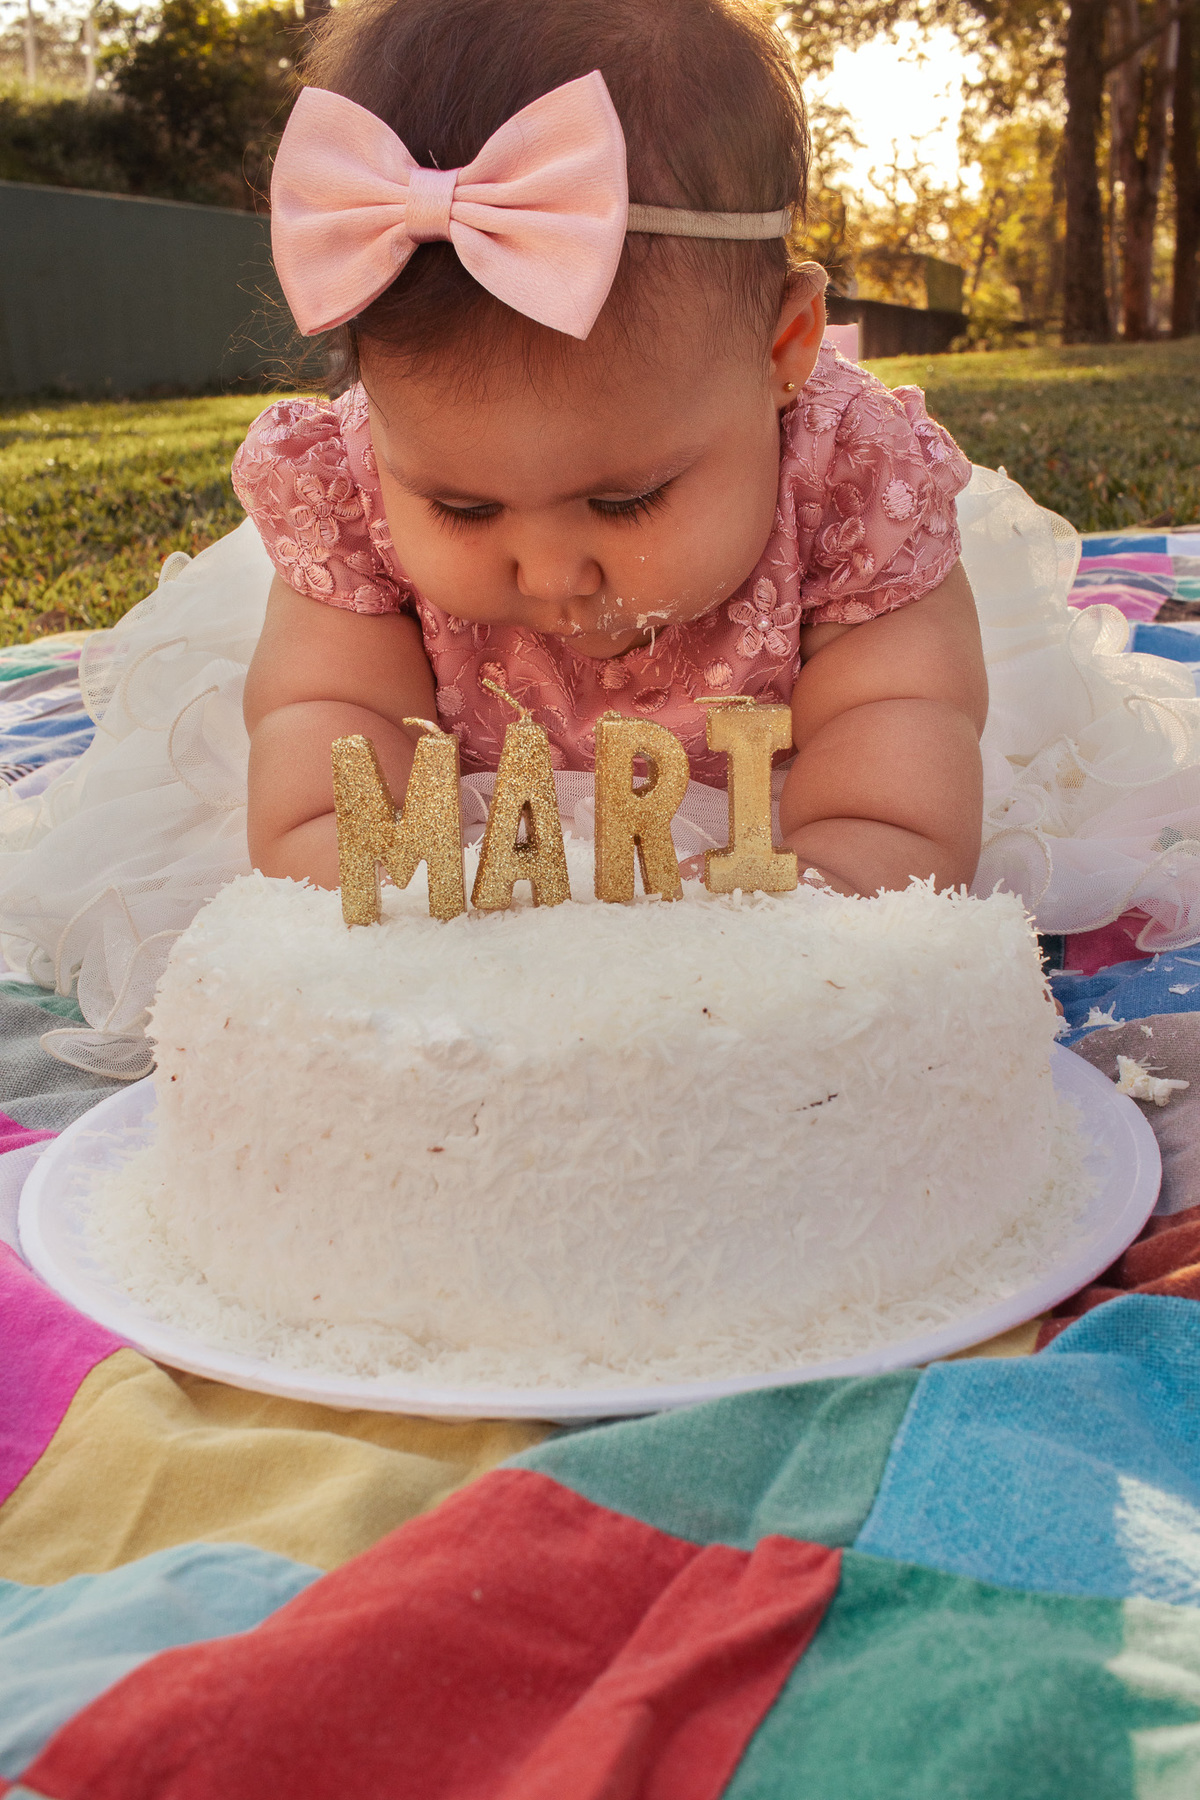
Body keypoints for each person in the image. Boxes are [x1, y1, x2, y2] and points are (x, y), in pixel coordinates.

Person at [1, 0, 1198, 1082]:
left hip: (774, 821)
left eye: (623, 502)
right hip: (472, 836)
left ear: (783, 356)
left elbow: (899, 764)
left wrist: (822, 915)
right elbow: (324, 759)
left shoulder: (852, 484)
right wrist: (397, 916)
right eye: (463, 509)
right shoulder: (353, 498)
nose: (548, 570)